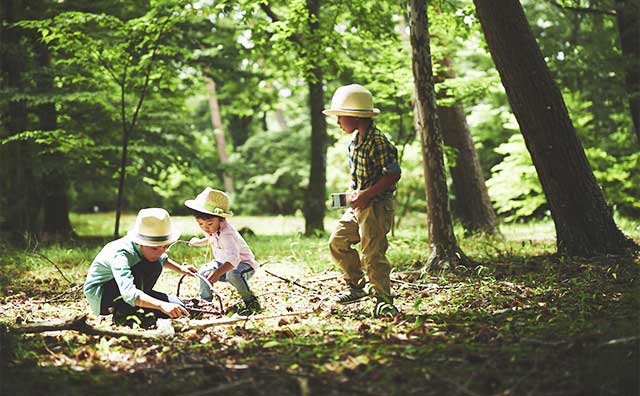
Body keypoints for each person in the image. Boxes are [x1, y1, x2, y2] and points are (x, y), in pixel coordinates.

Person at [323, 84, 401, 318]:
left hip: (376, 206)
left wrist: (366, 195)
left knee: (373, 253)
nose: (338, 122)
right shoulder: (354, 142)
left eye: (340, 117)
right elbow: (358, 178)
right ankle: (356, 287)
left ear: (355, 116)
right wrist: (352, 195)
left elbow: (393, 174)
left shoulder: (378, 141)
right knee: (337, 242)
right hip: (359, 205)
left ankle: (383, 300)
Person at [83, 208, 197, 327]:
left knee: (179, 306)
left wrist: (180, 269)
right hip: (104, 296)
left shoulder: (150, 251)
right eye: (154, 248)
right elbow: (128, 293)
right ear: (139, 242)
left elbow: (163, 258)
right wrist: (161, 305)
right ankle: (123, 314)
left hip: (133, 290)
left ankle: (140, 304)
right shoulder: (121, 255)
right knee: (144, 273)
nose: (160, 252)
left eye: (165, 246)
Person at [185, 187, 261, 315]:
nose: (205, 228)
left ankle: (251, 303)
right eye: (200, 224)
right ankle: (206, 303)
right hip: (222, 263)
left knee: (233, 274)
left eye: (209, 224)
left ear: (221, 219)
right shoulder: (214, 230)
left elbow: (234, 260)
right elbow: (211, 238)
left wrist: (217, 273)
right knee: (203, 272)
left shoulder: (227, 234)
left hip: (243, 265)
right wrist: (199, 242)